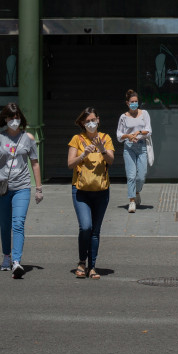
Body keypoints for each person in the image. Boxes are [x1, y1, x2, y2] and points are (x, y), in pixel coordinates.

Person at [0, 103, 43, 279]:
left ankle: (16, 261)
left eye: (17, 117)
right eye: (11, 118)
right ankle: (6, 256)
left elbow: (35, 163)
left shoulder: (29, 138)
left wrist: (38, 188)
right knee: (5, 224)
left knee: (18, 223)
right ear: (5, 119)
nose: (14, 121)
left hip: (22, 187)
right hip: (1, 188)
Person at [68, 107, 114, 279]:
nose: (91, 123)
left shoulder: (106, 138)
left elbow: (111, 160)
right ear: (82, 123)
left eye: (93, 120)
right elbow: (70, 164)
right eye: (87, 121)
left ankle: (92, 266)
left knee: (95, 230)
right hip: (81, 190)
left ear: (98, 120)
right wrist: (83, 155)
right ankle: (82, 262)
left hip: (101, 190)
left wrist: (102, 149)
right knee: (85, 227)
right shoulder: (77, 139)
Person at [116, 89, 153, 213]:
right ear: (127, 103)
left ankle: (137, 191)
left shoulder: (144, 113)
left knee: (141, 176)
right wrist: (128, 136)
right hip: (129, 147)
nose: (134, 103)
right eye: (132, 102)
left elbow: (149, 130)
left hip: (142, 146)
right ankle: (131, 201)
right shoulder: (123, 117)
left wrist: (138, 132)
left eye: (136, 101)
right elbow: (119, 134)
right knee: (131, 175)